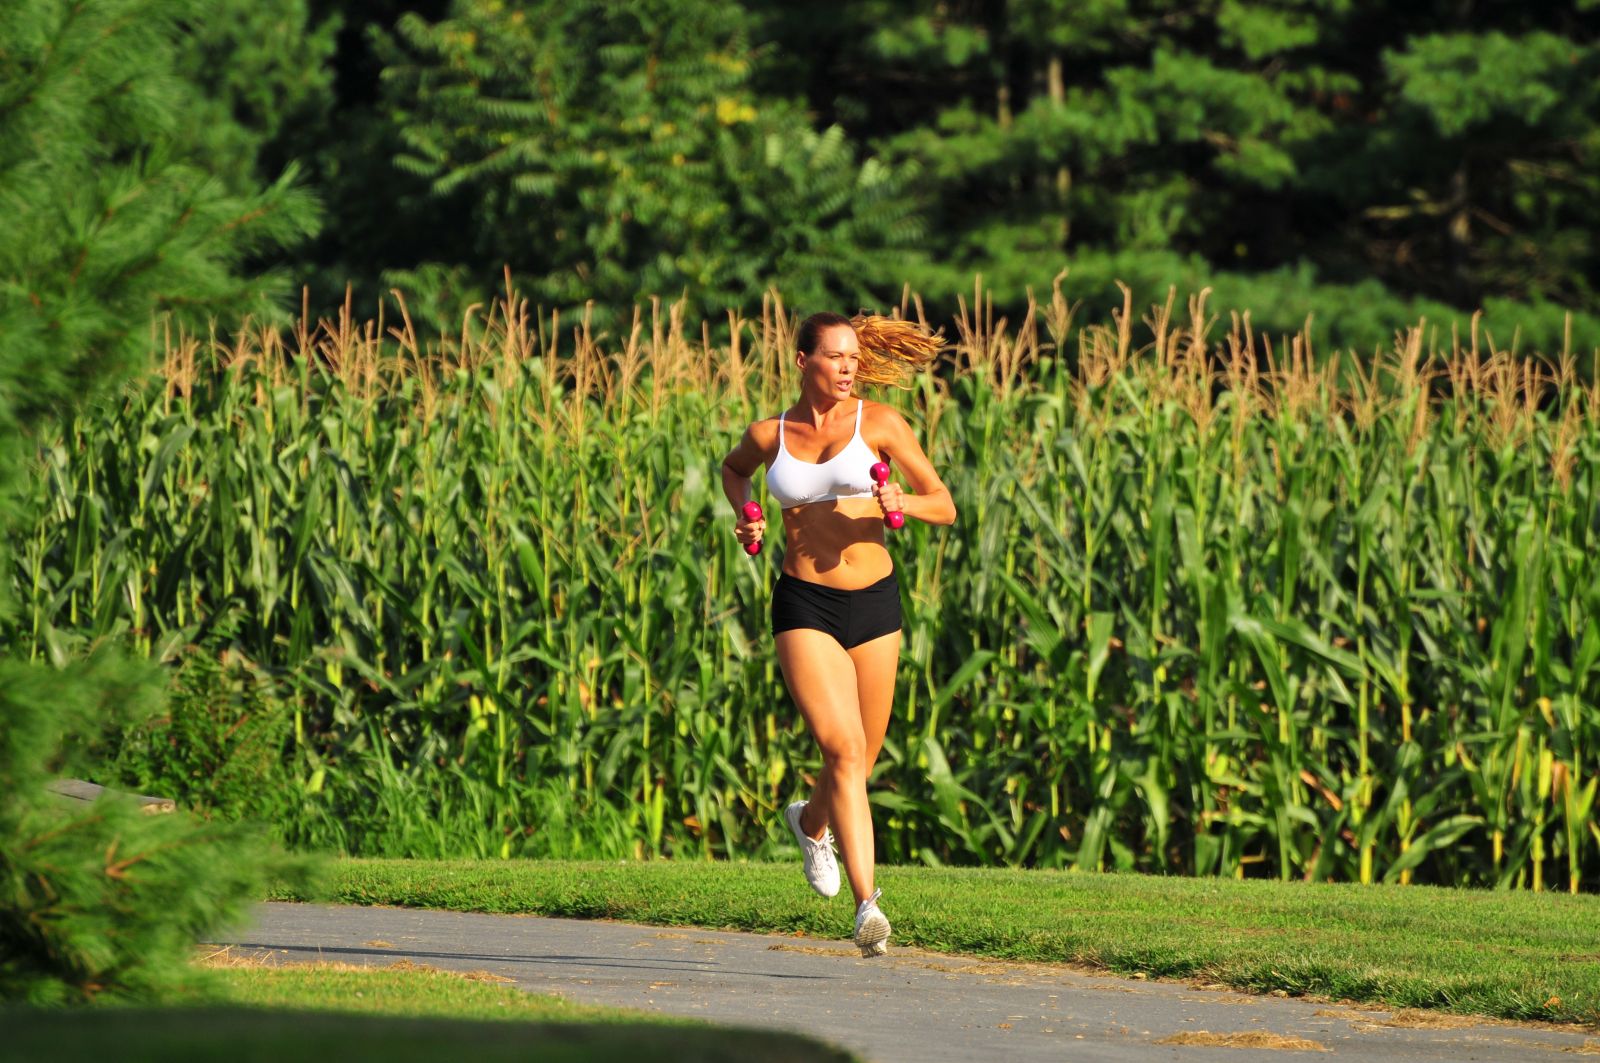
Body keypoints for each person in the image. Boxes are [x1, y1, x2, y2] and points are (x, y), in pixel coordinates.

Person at [719, 311, 956, 957]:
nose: (850, 367)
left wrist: (902, 504)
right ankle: (868, 907)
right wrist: (747, 515)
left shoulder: (880, 423)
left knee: (860, 755)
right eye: (836, 357)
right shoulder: (769, 433)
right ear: (803, 362)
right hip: (805, 604)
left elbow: (944, 501)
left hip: (875, 605)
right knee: (845, 749)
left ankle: (811, 821)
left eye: (854, 357)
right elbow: (733, 469)